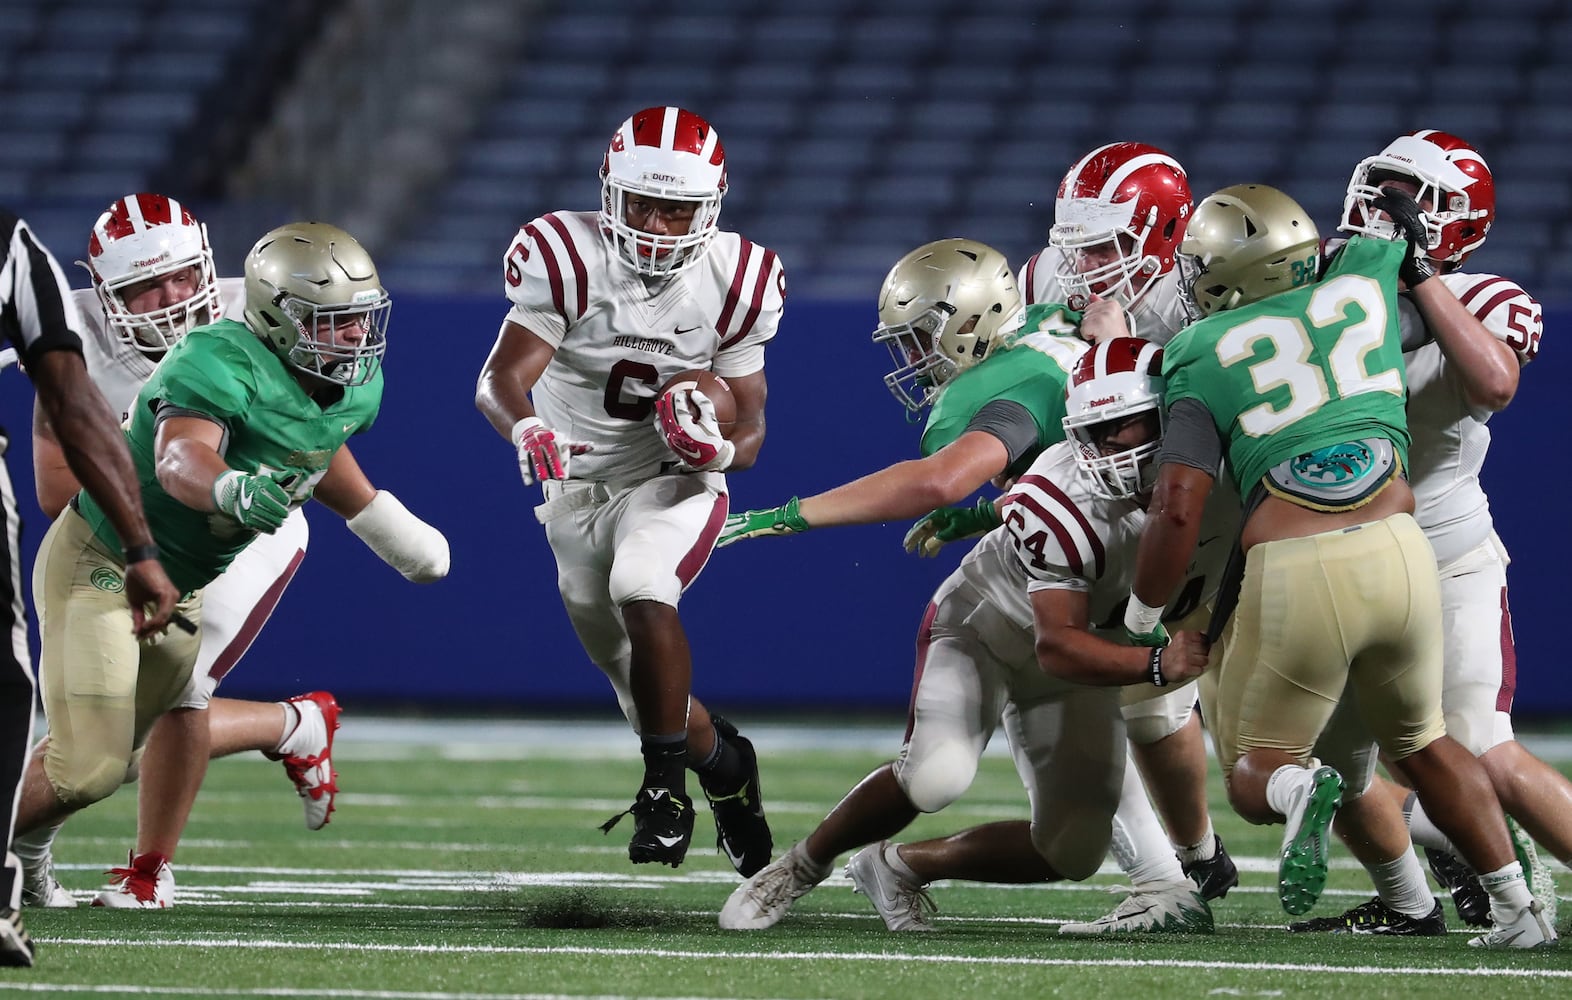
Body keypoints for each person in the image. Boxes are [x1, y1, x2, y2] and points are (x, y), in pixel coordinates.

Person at [1125, 182, 1553, 948]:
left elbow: (1177, 504)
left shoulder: (1195, 350)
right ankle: (1519, 911)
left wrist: (1144, 616)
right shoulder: (1366, 283)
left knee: (1260, 771)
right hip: (1405, 550)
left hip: (1302, 564)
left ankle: (1300, 791)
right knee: (1426, 747)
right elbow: (1400, 266)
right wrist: (1408, 251)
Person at [720, 337, 1231, 933]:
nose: (1114, 445)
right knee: (936, 775)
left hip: (1089, 654)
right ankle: (798, 869)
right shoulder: (1062, 502)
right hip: (990, 625)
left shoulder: (1216, 478)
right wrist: (1152, 666)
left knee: (1073, 851)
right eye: (1097, 431)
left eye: (1131, 424)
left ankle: (896, 867)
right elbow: (1057, 644)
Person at [11, 222, 449, 912]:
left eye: (361, 318)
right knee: (89, 767)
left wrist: (377, 519)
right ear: (281, 318)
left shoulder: (359, 387)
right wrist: (225, 487)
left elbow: (312, 440)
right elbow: (178, 454)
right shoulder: (214, 356)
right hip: (109, 559)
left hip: (178, 580)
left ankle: (32, 859)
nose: (355, 337)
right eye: (333, 323)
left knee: (124, 752)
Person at [474, 106, 779, 876]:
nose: (655, 222)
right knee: (640, 694)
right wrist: (523, 428)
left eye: (675, 207)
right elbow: (500, 379)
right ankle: (728, 771)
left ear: (708, 209)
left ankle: (665, 794)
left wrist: (717, 445)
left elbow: (752, 431)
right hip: (574, 492)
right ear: (610, 193)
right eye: (642, 202)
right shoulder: (566, 256)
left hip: (671, 478)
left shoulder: (736, 280)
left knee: (644, 584)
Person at [1293, 129, 1563, 932]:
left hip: (1443, 556)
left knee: (1480, 743)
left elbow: (1495, 380)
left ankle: (1496, 867)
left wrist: (1416, 274)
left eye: (1409, 196)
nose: (1384, 207)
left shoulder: (1483, 294)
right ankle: (1409, 902)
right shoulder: (1315, 287)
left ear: (1457, 221)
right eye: (1380, 186)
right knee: (1325, 758)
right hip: (1335, 560)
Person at [0, 207, 180, 965]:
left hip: (201, 550)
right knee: (34, 710)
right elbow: (68, 423)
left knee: (146, 718)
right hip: (117, 546)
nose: (169, 297)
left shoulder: (245, 316)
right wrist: (142, 539)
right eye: (146, 286)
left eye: (179, 276)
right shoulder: (21, 262)